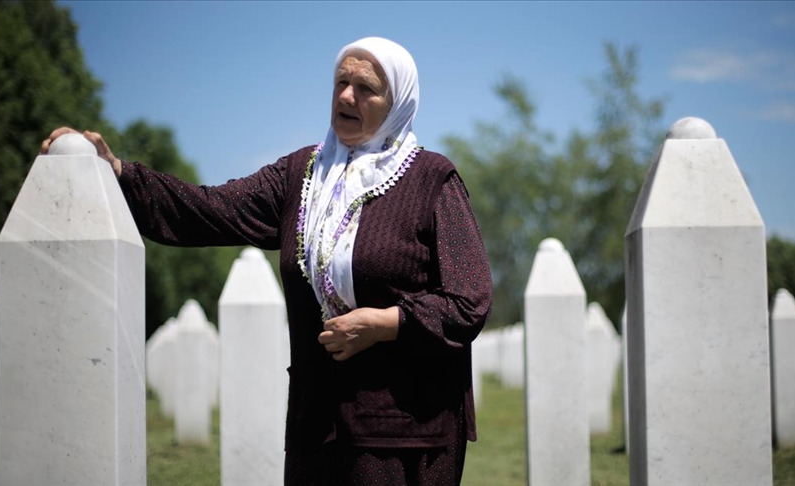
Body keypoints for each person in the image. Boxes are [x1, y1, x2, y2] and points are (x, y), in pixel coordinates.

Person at [42, 37, 492, 485]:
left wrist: (383, 323)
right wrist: (119, 173)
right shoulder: (301, 176)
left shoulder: (432, 180)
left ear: (398, 103)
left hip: (405, 437)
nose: (345, 97)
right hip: (316, 428)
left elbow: (468, 300)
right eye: (340, 82)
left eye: (366, 88)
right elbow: (208, 209)